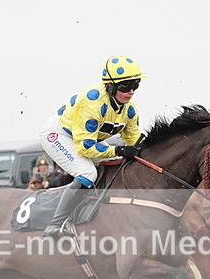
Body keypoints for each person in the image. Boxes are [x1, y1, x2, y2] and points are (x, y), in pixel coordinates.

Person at [39, 55, 144, 237]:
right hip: (59, 135)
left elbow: (133, 141)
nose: (132, 91)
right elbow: (85, 148)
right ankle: (55, 225)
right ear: (110, 86)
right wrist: (118, 149)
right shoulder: (92, 103)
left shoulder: (130, 109)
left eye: (136, 85)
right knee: (88, 173)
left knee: (117, 162)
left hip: (85, 138)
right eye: (126, 86)